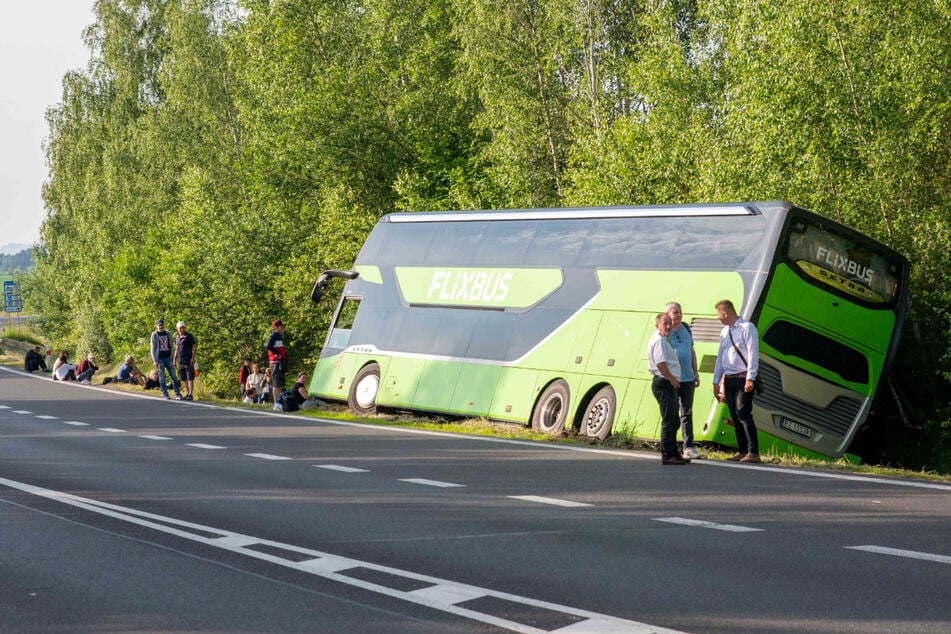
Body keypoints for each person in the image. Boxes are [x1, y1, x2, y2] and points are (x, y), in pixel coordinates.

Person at [712, 299, 761, 463]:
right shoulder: (724, 332)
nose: (718, 319)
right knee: (734, 414)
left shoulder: (747, 328)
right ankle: (742, 450)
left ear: (725, 314)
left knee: (743, 412)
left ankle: (753, 452)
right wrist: (716, 381)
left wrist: (750, 378)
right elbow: (721, 357)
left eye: (718, 315)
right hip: (729, 379)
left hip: (742, 378)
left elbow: (753, 354)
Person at [647, 313, 689, 465]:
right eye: (665, 323)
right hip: (664, 382)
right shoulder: (659, 340)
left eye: (670, 323)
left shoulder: (664, 339)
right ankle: (667, 455)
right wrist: (672, 379)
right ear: (657, 325)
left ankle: (674, 452)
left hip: (668, 382)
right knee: (669, 420)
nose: (668, 326)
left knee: (673, 420)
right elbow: (660, 364)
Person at [666, 302, 701, 460]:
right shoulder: (665, 332)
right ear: (667, 314)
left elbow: (691, 351)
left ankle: (688, 447)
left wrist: (696, 372)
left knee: (686, 412)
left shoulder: (686, 328)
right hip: (672, 379)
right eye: (675, 313)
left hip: (688, 378)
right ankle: (670, 446)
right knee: (672, 413)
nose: (678, 315)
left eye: (679, 312)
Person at [150, 318, 182, 400]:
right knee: (162, 377)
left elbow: (171, 345)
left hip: (168, 358)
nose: (160, 326)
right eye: (159, 325)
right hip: (159, 359)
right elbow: (153, 348)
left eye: (162, 325)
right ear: (156, 326)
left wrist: (172, 356)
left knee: (173, 376)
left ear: (163, 325)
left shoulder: (168, 334)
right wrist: (155, 360)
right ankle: (165, 394)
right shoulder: (154, 335)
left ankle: (178, 393)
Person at [267, 319, 288, 410]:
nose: (282, 328)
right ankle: (276, 404)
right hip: (275, 362)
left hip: (280, 362)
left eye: (282, 326)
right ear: (276, 327)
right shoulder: (273, 336)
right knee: (276, 383)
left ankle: (278, 403)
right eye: (280, 326)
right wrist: (276, 353)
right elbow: (269, 346)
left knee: (279, 384)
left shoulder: (279, 336)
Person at [174, 321, 197, 401]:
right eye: (180, 328)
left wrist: (193, 358)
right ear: (177, 329)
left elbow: (194, 346)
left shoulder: (189, 336)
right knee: (183, 378)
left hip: (188, 359)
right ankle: (187, 393)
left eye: (183, 327)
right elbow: (177, 348)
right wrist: (174, 358)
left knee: (190, 377)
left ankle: (191, 394)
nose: (181, 329)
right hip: (180, 360)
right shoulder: (177, 337)